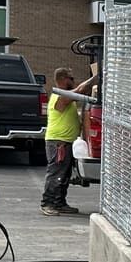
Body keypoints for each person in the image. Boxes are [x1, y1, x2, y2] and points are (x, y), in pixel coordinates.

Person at [42, 65, 97, 216]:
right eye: (71, 78)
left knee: (64, 174)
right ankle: (48, 203)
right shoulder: (59, 97)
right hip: (58, 141)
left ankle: (59, 203)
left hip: (66, 141)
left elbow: (81, 91)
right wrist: (96, 77)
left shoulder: (68, 98)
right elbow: (80, 90)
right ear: (63, 79)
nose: (73, 81)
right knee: (56, 173)